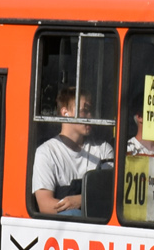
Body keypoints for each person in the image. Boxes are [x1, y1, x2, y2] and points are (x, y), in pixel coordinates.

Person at [32, 87, 114, 215]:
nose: (90, 116)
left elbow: (110, 195)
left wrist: (81, 200)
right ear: (65, 113)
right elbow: (45, 204)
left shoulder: (103, 149)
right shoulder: (46, 152)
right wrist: (76, 208)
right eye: (84, 111)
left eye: (90, 111)